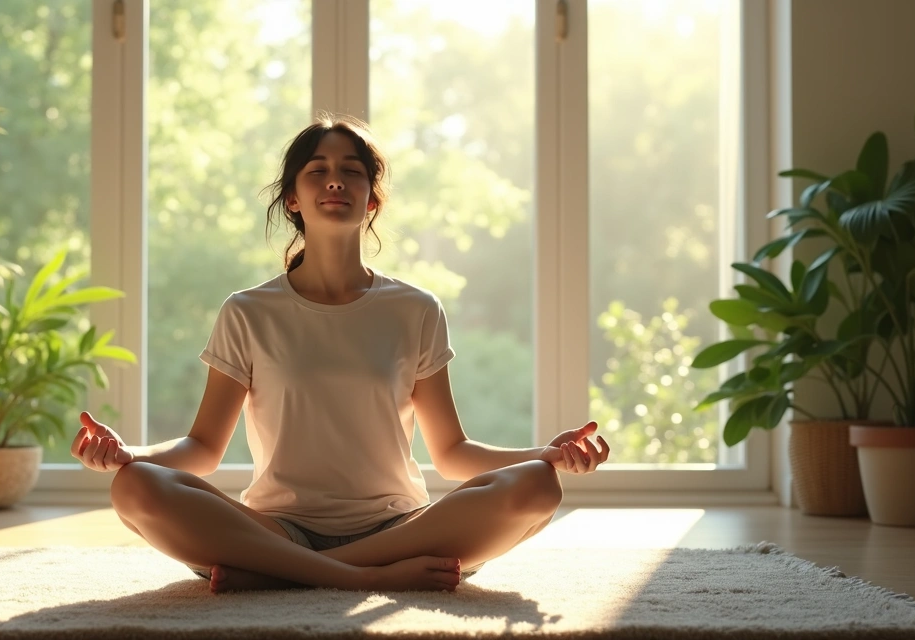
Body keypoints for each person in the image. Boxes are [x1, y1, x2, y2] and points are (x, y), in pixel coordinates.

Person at [71, 114, 610, 595]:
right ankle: (358, 577)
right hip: (275, 527)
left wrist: (547, 454)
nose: (335, 179)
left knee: (538, 484)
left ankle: (283, 574)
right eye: (317, 170)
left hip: (400, 527)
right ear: (292, 199)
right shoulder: (248, 311)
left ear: (371, 198)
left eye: (352, 170)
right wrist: (129, 456)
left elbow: (451, 452)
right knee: (136, 488)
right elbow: (204, 447)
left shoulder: (415, 309)